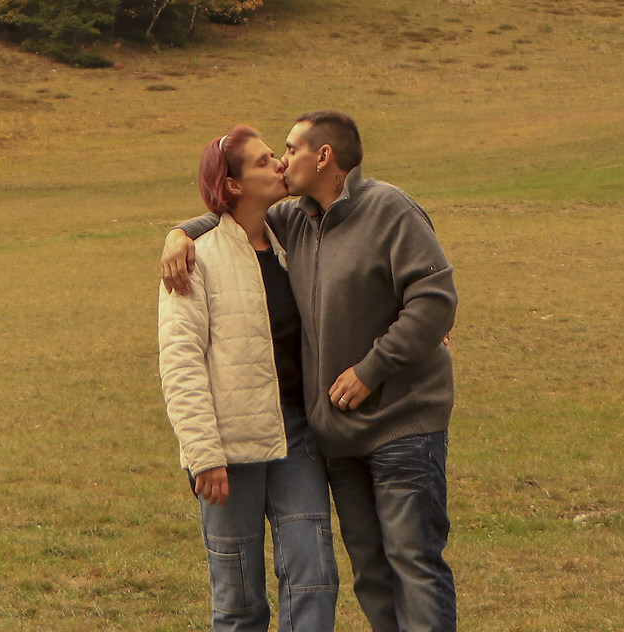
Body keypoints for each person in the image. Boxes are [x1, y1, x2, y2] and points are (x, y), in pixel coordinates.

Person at [163, 110, 457, 632]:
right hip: (288, 442)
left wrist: (381, 360)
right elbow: (229, 223)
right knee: (330, 581)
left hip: (356, 430)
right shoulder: (267, 232)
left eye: (287, 150)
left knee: (368, 574)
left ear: (324, 157)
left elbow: (433, 296)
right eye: (267, 158)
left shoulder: (355, 214)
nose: (280, 161)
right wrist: (179, 233)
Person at [158, 125, 340, 632]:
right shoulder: (195, 259)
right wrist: (203, 455)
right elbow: (180, 361)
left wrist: (421, 318)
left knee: (314, 580)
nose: (279, 165)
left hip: (296, 434)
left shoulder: (295, 236)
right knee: (238, 604)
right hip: (227, 450)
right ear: (233, 185)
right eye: (263, 162)